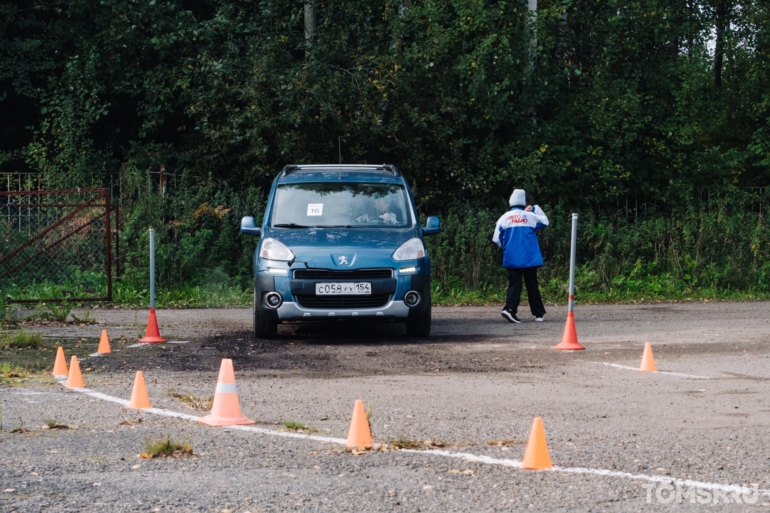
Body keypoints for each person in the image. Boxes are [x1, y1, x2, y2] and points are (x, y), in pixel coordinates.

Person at [492, 189, 549, 323]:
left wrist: (506, 247)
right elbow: (545, 221)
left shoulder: (504, 217)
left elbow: (496, 239)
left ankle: (510, 309)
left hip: (511, 257)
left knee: (514, 284)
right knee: (532, 285)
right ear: (523, 203)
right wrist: (535, 208)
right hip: (529, 258)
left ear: (511, 202)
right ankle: (539, 314)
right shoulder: (529, 216)